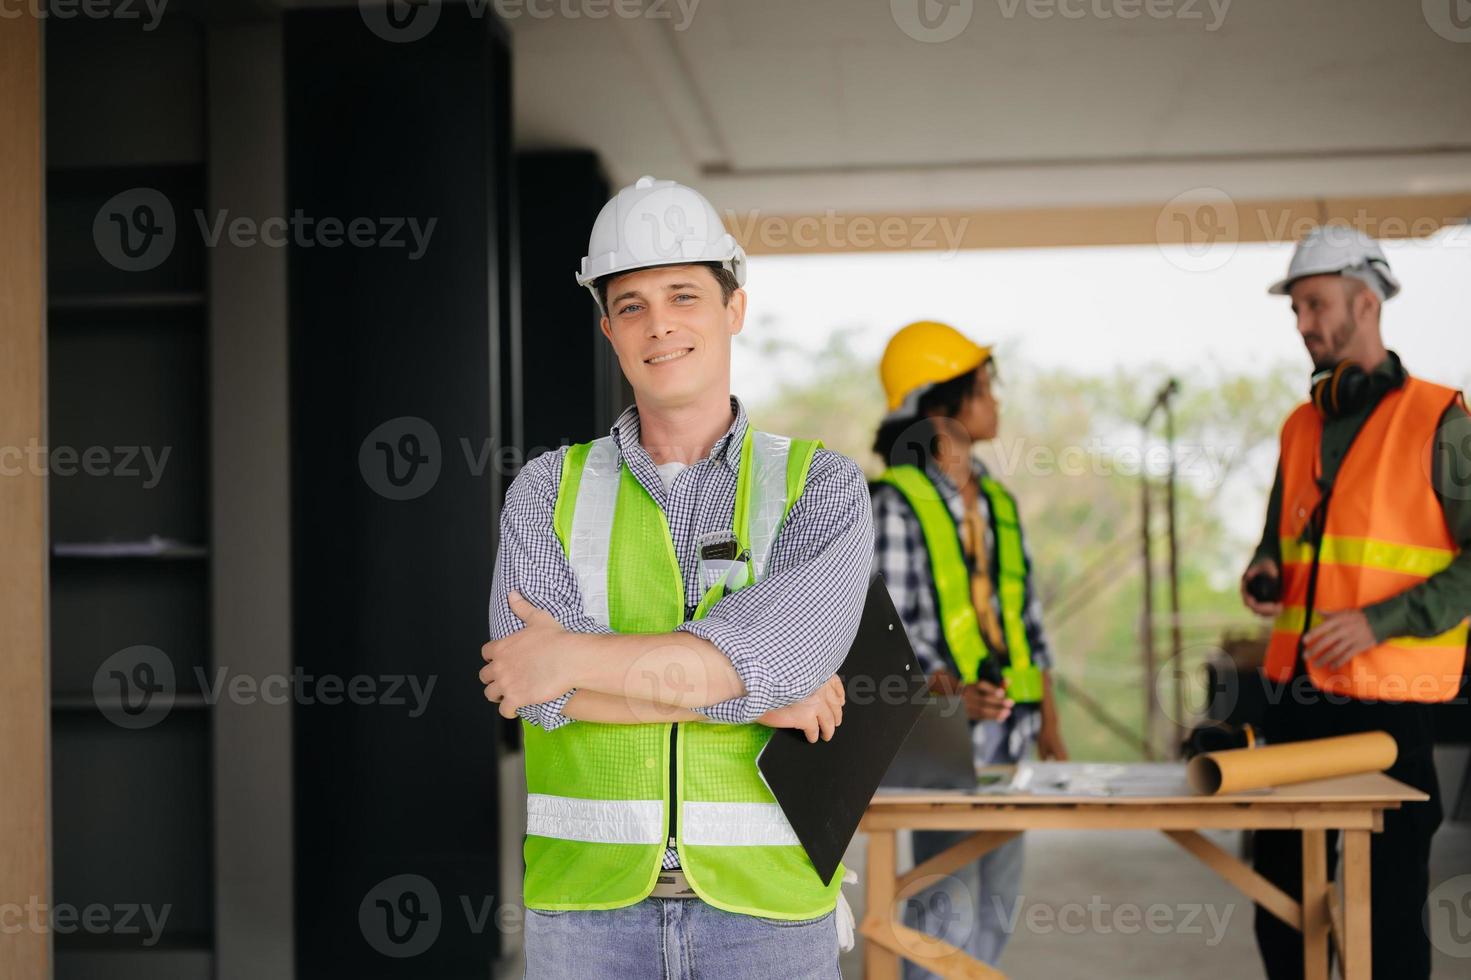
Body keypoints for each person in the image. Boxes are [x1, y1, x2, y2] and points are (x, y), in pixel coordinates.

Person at [479, 175, 873, 979]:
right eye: (631, 306)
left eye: (683, 295)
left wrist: (572, 659)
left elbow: (559, 676)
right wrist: (760, 695)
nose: (658, 324)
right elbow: (529, 689)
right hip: (584, 913)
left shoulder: (820, 486)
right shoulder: (547, 488)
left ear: (733, 309)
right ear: (608, 330)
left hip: (767, 912)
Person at [1241, 226, 1470, 979]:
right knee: (1279, 902)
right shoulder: (1299, 425)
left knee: (1386, 911)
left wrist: (1381, 620)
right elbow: (1278, 545)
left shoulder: (1442, 423)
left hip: (1387, 705)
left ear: (1365, 303)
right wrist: (1263, 573)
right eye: (1297, 309)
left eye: (1315, 304)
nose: (1303, 323)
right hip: (1292, 698)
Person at [869, 320, 1067, 973]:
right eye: (983, 387)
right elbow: (891, 636)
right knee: (943, 906)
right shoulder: (894, 506)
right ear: (939, 406)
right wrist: (953, 698)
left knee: (997, 906)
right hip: (946, 748)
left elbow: (1027, 624)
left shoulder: (1000, 505)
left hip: (1013, 744)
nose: (996, 400)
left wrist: (1052, 729)